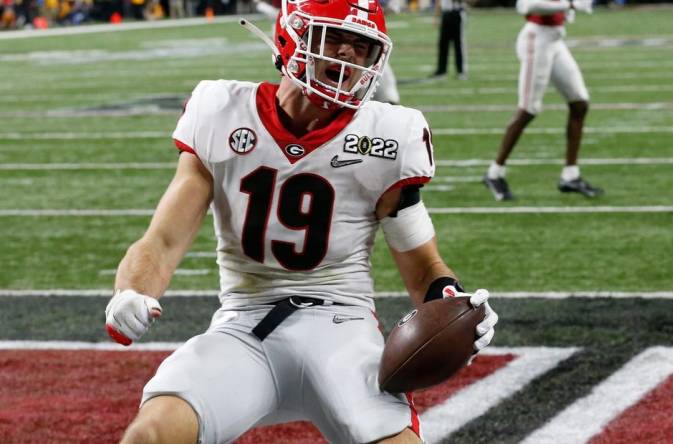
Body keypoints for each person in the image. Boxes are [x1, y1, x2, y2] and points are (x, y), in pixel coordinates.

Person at [104, 0, 498, 443]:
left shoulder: (389, 135)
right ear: (292, 37)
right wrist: (131, 291)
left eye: (361, 45)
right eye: (335, 38)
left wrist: (452, 299)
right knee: (150, 435)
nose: (348, 54)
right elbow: (161, 241)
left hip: (342, 328)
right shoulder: (221, 111)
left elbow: (424, 266)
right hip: (243, 325)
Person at [483, 0, 602, 201]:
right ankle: (494, 173)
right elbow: (527, 6)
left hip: (555, 39)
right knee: (529, 109)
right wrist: (570, 5)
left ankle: (570, 175)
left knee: (579, 103)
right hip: (536, 39)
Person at [432, 0, 466, 80]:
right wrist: (436, 16)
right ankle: (441, 70)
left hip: (456, 13)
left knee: (458, 45)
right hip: (446, 13)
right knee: (443, 44)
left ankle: (460, 71)